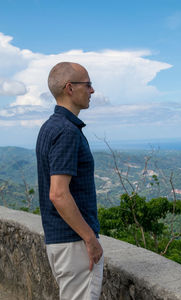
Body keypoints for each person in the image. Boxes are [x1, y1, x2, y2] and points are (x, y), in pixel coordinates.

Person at [36, 62, 104, 300]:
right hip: (74, 242)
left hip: (61, 240)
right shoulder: (66, 131)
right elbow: (59, 194)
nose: (92, 91)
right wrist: (89, 238)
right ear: (70, 88)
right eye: (88, 84)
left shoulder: (49, 127)